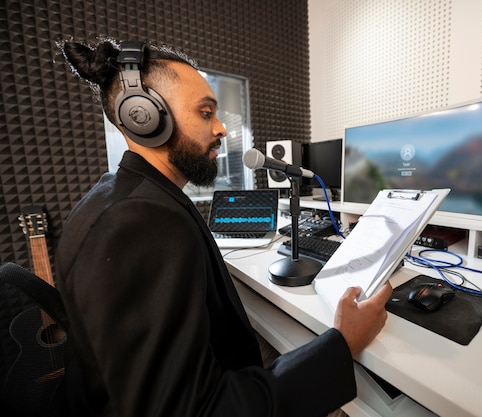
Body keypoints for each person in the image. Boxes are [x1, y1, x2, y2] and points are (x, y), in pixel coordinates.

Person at [55, 38, 393, 417]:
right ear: (143, 116)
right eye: (205, 113)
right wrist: (342, 344)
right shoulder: (135, 223)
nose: (222, 129)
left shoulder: (131, 198)